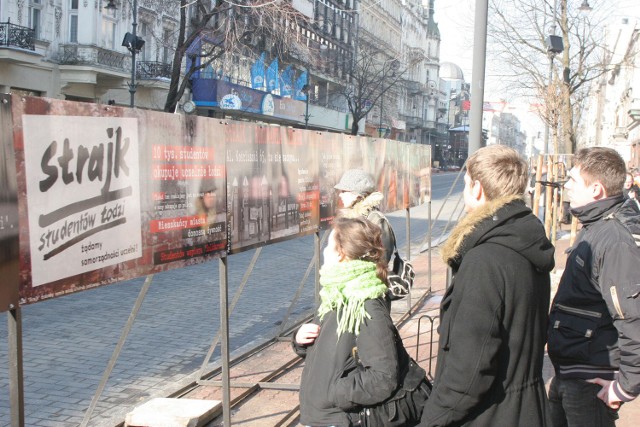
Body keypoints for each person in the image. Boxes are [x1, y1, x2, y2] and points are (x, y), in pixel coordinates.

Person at [420, 145, 555, 426]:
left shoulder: (484, 260)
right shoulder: (525, 241)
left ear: (478, 188)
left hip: (489, 414)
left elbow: (469, 371)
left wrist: (432, 420)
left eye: (467, 183)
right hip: (526, 408)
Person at [293, 217, 425, 427]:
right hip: (320, 413)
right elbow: (332, 352)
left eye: (329, 245)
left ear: (342, 253)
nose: (324, 250)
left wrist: (333, 392)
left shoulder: (366, 304)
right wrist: (300, 340)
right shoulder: (336, 293)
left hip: (338, 417)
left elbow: (383, 377)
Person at [547, 147, 640, 427]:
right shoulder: (595, 226)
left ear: (597, 189)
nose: (566, 186)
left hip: (591, 379)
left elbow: (632, 317)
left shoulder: (614, 240)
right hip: (573, 370)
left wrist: (626, 386)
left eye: (573, 181)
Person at [334, 169, 395, 263]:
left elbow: (383, 258)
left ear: (357, 194)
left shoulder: (376, 220)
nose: (340, 195)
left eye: (344, 191)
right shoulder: (348, 219)